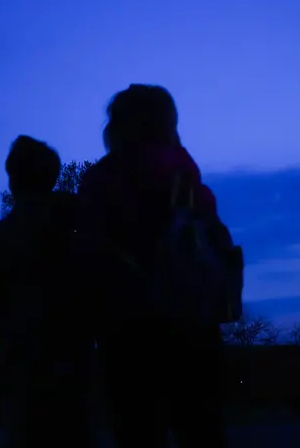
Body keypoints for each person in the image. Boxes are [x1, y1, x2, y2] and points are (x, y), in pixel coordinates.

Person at [75, 84, 230, 448]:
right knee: (202, 430)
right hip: (194, 325)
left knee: (139, 431)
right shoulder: (188, 179)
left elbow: (88, 256)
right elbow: (220, 244)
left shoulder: (104, 180)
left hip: (130, 330)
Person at [0, 135, 93, 448]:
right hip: (74, 358)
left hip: (22, 362)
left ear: (13, 179)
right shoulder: (79, 223)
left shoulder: (1, 235)